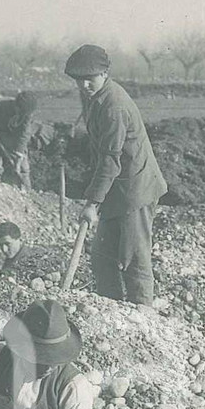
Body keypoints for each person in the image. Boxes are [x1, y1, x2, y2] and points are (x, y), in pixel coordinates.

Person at [64, 44, 168, 305]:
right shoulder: (94, 98)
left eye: (90, 78)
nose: (84, 85)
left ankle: (143, 316)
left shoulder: (114, 106)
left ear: (104, 74)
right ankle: (109, 311)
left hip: (136, 188)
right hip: (116, 188)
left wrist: (92, 204)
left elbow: (110, 160)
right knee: (102, 257)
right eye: (79, 80)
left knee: (134, 256)